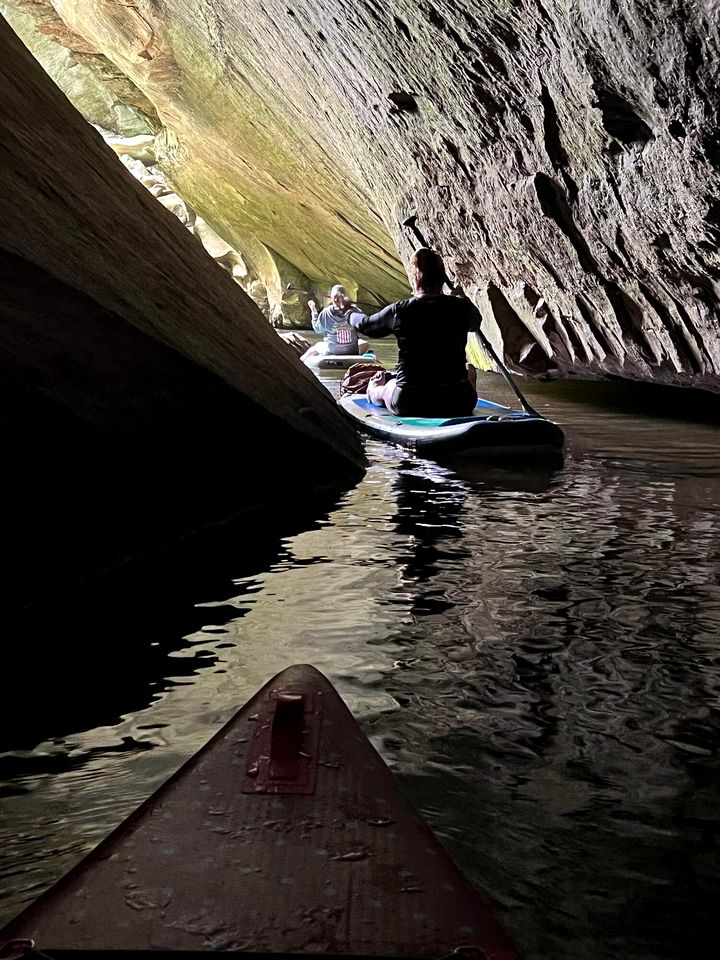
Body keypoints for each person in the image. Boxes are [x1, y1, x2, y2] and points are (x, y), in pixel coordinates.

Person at [349, 248, 479, 416]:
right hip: (458, 400)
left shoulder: (400, 311)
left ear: (415, 279)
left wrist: (350, 314)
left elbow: (365, 326)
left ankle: (374, 390)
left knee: (389, 386)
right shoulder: (462, 307)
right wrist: (462, 299)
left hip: (410, 400)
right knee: (470, 370)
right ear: (442, 277)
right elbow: (475, 323)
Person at [300, 285, 369, 361]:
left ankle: (300, 361)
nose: (336, 299)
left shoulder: (326, 313)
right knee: (364, 343)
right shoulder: (355, 311)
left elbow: (317, 329)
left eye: (336, 297)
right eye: (334, 297)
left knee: (317, 345)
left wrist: (314, 311)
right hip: (352, 351)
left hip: (332, 351)